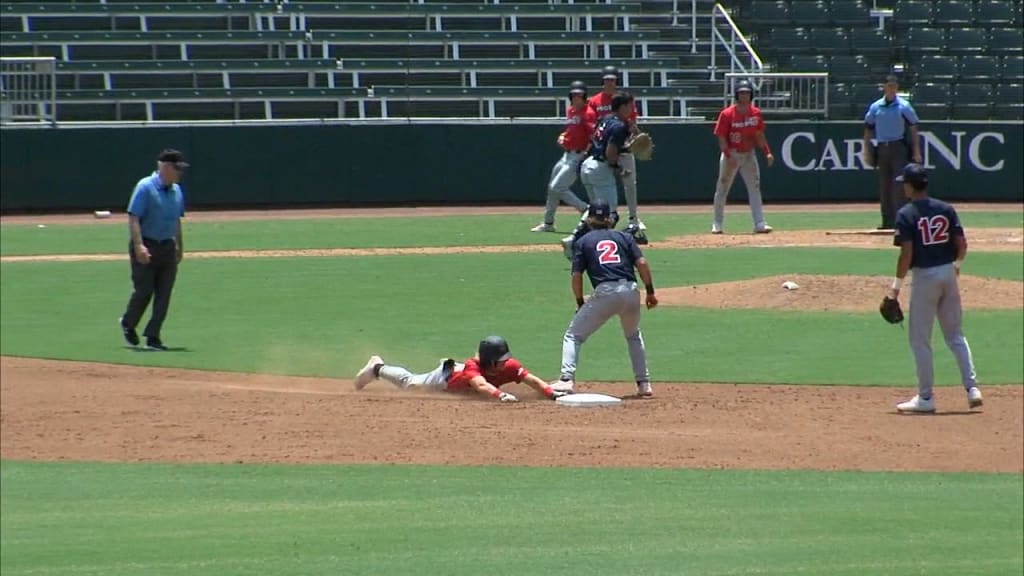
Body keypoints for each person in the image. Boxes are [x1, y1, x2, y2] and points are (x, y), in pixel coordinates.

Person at [886, 163, 982, 413]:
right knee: (955, 335)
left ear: (909, 185)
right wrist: (957, 265)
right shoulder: (945, 209)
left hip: (925, 277)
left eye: (904, 182)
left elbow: (906, 254)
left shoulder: (906, 213)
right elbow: (962, 244)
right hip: (948, 273)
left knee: (920, 340)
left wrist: (895, 288)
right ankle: (972, 388)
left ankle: (925, 398)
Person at [552, 198, 657, 398]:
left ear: (589, 219)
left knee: (573, 335)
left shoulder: (583, 242)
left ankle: (566, 380)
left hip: (606, 293)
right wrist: (650, 292)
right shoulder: (624, 237)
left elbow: (576, 277)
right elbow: (642, 263)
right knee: (633, 335)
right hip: (631, 290)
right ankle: (644, 384)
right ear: (610, 219)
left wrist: (580, 303)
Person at [353, 335, 571, 403]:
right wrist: (500, 394)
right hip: (444, 378)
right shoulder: (472, 367)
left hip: (454, 380)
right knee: (410, 384)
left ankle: (378, 368)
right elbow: (481, 385)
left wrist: (551, 393)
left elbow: (531, 380)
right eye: (500, 360)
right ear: (489, 361)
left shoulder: (509, 365)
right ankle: (377, 368)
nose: (505, 363)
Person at [560, 90, 647, 258]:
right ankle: (575, 241)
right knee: (610, 215)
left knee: (595, 209)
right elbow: (610, 153)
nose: (632, 109)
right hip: (600, 169)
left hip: (589, 165)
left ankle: (576, 239)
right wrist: (620, 169)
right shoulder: (619, 126)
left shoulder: (606, 119)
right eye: (629, 106)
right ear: (621, 107)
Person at [119, 149, 187, 351]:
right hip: (146, 244)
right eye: (176, 169)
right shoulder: (145, 187)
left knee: (164, 293)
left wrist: (180, 245)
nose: (179, 173)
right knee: (144, 291)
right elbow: (134, 217)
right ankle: (128, 323)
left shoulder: (176, 191)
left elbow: (176, 220)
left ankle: (153, 336)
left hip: (167, 246)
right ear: (165, 167)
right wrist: (139, 245)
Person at [711, 79, 774, 235]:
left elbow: (759, 135)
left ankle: (759, 223)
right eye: (741, 93)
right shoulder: (727, 114)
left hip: (748, 154)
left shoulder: (755, 113)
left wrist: (767, 152)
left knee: (754, 187)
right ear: (736, 95)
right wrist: (727, 155)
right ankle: (717, 223)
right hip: (731, 153)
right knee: (723, 187)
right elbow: (721, 136)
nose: (744, 95)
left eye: (747, 92)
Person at [530, 81, 593, 233]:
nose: (577, 97)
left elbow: (593, 136)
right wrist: (563, 135)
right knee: (552, 189)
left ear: (584, 96)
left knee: (557, 187)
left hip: (578, 155)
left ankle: (585, 208)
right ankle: (548, 222)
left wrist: (585, 154)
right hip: (567, 154)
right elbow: (571, 130)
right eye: (574, 94)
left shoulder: (588, 112)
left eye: (580, 94)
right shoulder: (571, 111)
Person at [587, 65, 644, 230]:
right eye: (607, 80)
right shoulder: (595, 101)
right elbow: (592, 125)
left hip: (623, 147)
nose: (610, 83)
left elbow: (633, 124)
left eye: (612, 80)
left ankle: (633, 218)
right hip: (606, 151)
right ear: (602, 82)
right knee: (606, 189)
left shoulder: (625, 100)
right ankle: (599, 217)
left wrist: (635, 138)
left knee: (630, 183)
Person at [862, 75, 923, 230]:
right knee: (884, 184)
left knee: (899, 184)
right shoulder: (876, 107)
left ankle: (900, 220)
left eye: (894, 86)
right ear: (884, 87)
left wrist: (916, 150)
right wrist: (866, 149)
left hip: (898, 147)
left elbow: (913, 127)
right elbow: (868, 127)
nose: (891, 88)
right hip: (882, 147)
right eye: (889, 85)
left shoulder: (903, 106)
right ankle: (886, 220)